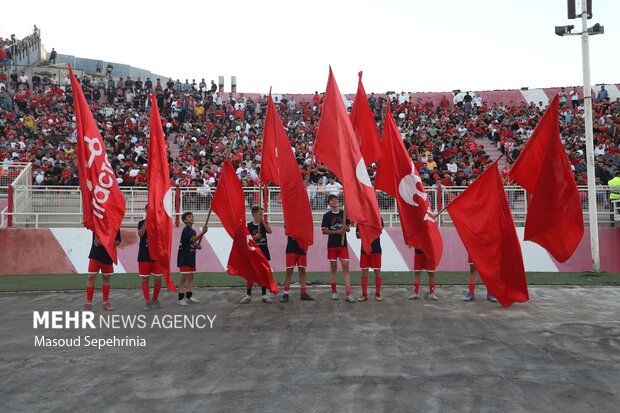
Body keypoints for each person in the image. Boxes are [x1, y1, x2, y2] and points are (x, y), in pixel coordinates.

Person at [321, 194, 354, 303]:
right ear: (329, 203)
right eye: (332, 200)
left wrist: (346, 228)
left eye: (335, 199)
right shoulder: (326, 216)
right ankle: (334, 292)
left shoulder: (344, 214)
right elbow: (324, 231)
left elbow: (348, 229)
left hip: (343, 245)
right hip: (332, 245)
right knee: (333, 268)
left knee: (346, 267)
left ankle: (348, 293)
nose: (334, 201)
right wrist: (337, 232)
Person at [240, 206, 273, 303]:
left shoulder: (263, 224)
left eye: (262, 214)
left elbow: (269, 231)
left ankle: (264, 295)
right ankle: (248, 295)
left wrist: (262, 221)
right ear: (254, 214)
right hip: (254, 252)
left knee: (264, 273)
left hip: (263, 252)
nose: (262, 215)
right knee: (251, 274)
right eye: (260, 214)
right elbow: (247, 239)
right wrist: (255, 237)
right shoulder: (249, 226)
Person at [83, 230, 121, 311]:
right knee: (91, 277)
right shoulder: (98, 223)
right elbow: (97, 242)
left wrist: (103, 242)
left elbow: (117, 242)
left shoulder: (115, 225)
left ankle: (105, 302)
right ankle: (88, 303)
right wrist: (110, 241)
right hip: (95, 255)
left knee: (106, 278)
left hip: (108, 256)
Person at [177, 211, 207, 306]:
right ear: (185, 220)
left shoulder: (193, 231)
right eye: (189, 217)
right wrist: (203, 233)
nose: (192, 218)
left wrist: (198, 246)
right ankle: (180, 298)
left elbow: (193, 243)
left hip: (191, 257)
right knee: (183, 277)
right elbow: (193, 239)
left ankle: (189, 296)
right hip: (184, 257)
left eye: (192, 216)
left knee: (191, 277)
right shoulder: (186, 230)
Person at [137, 207, 164, 311]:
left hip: (156, 256)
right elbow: (140, 234)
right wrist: (148, 220)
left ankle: (155, 299)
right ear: (146, 211)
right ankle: (147, 302)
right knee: (145, 279)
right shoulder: (141, 222)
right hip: (144, 255)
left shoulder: (160, 222)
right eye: (149, 210)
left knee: (158, 279)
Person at [281, 236, 314, 302]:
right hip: (291, 248)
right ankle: (286, 293)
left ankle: (303, 293)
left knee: (302, 270)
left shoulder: (304, 225)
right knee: (289, 271)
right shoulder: (289, 225)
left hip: (302, 248)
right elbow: (287, 230)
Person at [356, 220, 383, 302]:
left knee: (377, 271)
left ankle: (378, 294)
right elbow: (357, 236)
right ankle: (364, 294)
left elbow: (379, 231)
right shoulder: (360, 220)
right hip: (364, 249)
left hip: (376, 249)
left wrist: (367, 231)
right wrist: (363, 233)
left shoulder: (378, 218)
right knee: (364, 271)